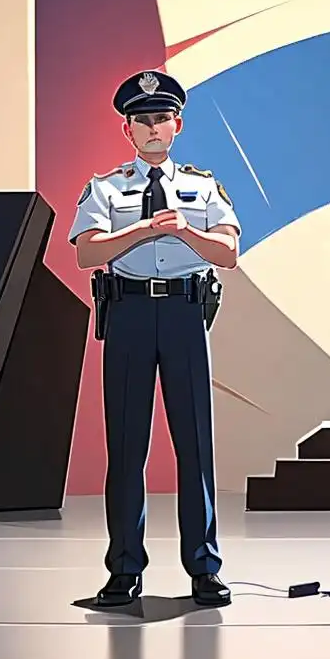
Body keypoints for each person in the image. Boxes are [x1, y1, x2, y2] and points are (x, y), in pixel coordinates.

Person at [68, 70, 240, 608]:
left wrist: (183, 230)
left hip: (186, 313)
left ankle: (205, 569)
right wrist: (144, 230)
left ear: (177, 125)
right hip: (129, 314)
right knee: (126, 448)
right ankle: (123, 571)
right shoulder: (106, 187)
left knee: (195, 446)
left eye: (160, 118)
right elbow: (87, 253)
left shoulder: (203, 186)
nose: (152, 128)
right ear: (128, 131)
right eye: (141, 121)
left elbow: (228, 253)